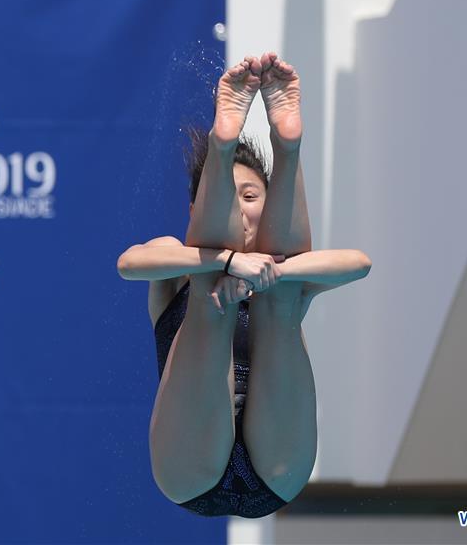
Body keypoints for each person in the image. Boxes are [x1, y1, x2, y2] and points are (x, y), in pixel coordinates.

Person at [116, 52, 372, 518]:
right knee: (208, 291)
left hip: (276, 465)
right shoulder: (177, 263)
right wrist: (230, 261)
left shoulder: (286, 272)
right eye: (228, 197)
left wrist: (273, 272)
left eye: (251, 195)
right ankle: (224, 141)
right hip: (189, 468)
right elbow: (131, 264)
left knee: (281, 300)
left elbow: (359, 264)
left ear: (269, 204)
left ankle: (287, 145)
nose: (240, 208)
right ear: (195, 211)